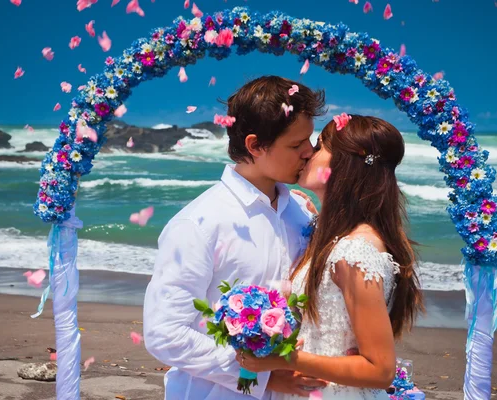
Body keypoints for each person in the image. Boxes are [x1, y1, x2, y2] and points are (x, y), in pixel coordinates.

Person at [143, 76, 327, 400]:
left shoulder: (302, 211)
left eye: (310, 140)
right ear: (255, 145)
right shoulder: (199, 223)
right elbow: (165, 334)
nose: (309, 152)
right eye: (296, 145)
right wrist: (263, 378)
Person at [236, 115, 425, 399]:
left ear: (344, 164)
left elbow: (380, 370)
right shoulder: (327, 233)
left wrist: (281, 360)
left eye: (321, 145)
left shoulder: (354, 252)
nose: (309, 152)